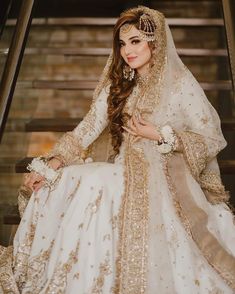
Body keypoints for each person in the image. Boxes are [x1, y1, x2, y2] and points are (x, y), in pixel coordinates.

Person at [0, 5, 235, 294]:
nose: (127, 51)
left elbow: (210, 138)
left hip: (165, 178)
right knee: (67, 181)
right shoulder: (122, 82)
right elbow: (90, 125)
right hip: (124, 170)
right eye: (123, 43)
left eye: (135, 41)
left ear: (154, 41)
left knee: (95, 183)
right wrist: (53, 163)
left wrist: (159, 134)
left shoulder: (180, 85)